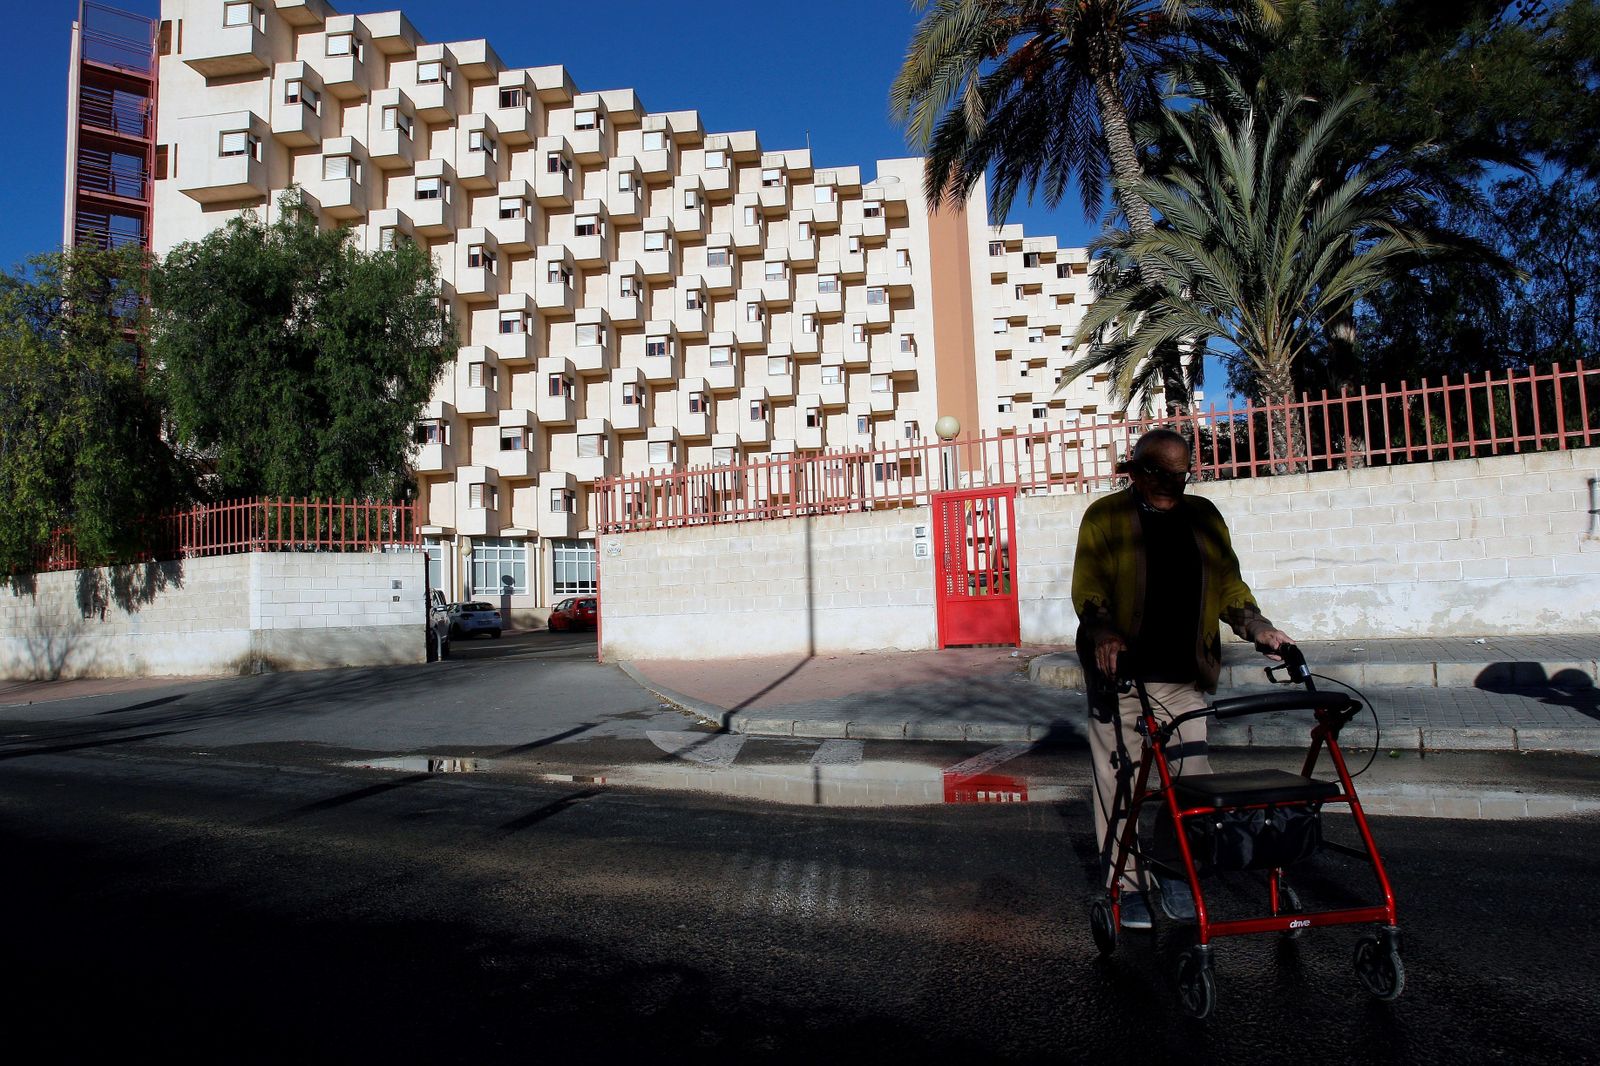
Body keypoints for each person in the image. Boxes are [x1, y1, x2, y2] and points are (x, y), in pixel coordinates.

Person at [1072, 428, 1291, 929]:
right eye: (1161, 473)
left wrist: (1257, 626)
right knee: (1119, 783)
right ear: (1136, 471)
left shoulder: (1204, 517)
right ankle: (1125, 884)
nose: (1173, 483)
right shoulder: (1105, 517)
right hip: (1121, 677)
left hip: (1184, 677)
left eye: (1182, 474)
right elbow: (1089, 588)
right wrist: (1104, 632)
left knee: (1192, 781)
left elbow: (1230, 585)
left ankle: (1174, 870)